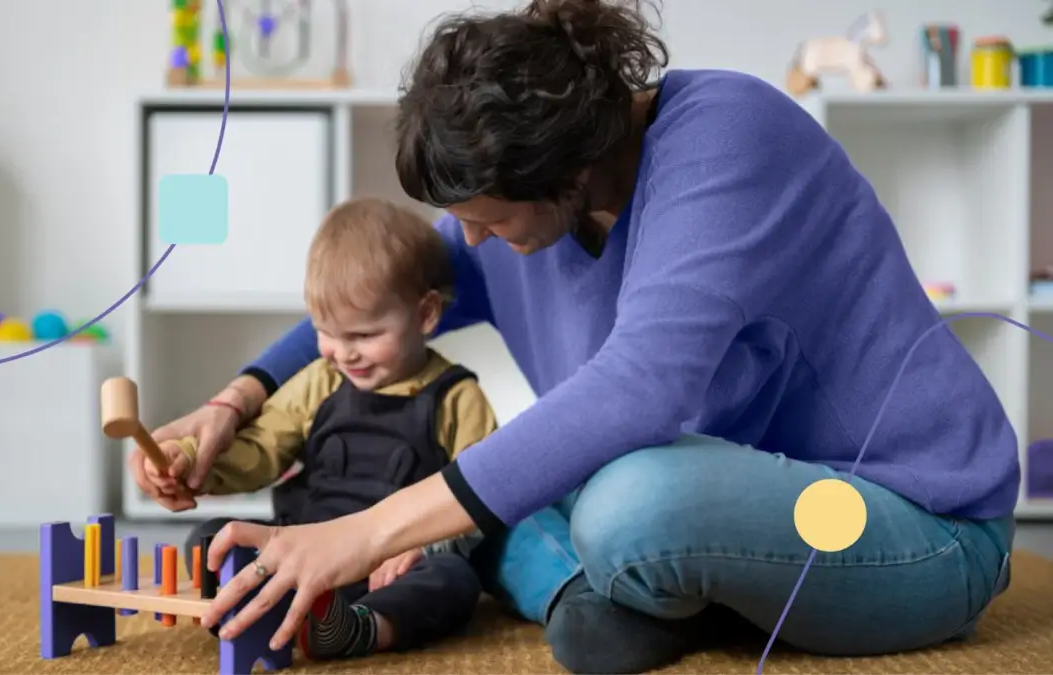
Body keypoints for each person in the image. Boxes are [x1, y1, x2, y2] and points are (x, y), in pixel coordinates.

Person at [143, 0, 1019, 672]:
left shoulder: (726, 134)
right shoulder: (528, 208)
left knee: (627, 502)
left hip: (901, 519)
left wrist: (364, 532)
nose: (472, 242)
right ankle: (599, 597)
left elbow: (642, 388)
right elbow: (385, 292)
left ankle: (639, 582)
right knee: (490, 494)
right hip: (741, 509)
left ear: (564, 168)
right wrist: (236, 398)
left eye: (486, 220)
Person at [130, 197, 497, 661]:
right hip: (300, 546)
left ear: (425, 314)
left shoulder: (457, 396)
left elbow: (478, 494)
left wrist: (426, 545)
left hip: (390, 565)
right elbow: (260, 450)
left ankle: (363, 628)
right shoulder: (318, 380)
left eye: (364, 336)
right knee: (212, 540)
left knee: (455, 579)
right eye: (326, 332)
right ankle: (277, 611)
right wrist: (189, 459)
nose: (344, 353)